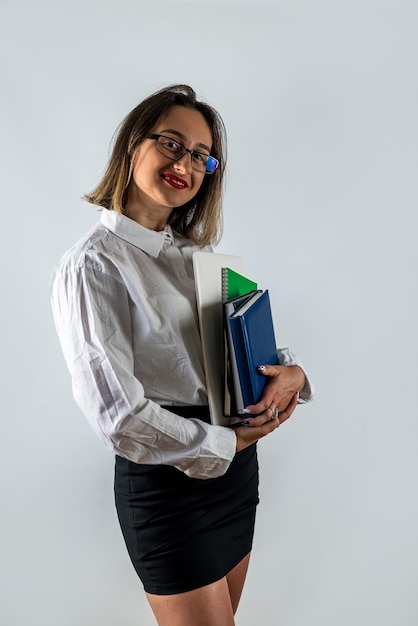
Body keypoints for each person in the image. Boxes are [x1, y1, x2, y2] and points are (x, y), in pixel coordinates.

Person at [51, 84, 313, 626]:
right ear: (131, 146)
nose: (185, 164)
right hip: (169, 480)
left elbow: (232, 353)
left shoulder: (198, 256)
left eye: (200, 155)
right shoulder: (93, 264)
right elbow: (118, 415)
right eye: (171, 144)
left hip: (236, 474)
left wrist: (292, 373)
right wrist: (227, 442)